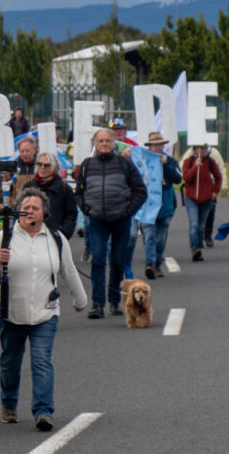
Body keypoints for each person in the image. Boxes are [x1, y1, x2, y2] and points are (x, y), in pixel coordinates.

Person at [0, 188, 88, 432]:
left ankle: (43, 411)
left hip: (45, 312)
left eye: (35, 208)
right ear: (17, 211)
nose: (30, 211)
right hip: (10, 313)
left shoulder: (55, 238)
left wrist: (80, 300)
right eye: (25, 207)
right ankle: (8, 404)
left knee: (41, 361)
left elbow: (68, 270)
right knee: (10, 363)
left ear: (44, 213)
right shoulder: (2, 238)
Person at [76, 128, 147, 319]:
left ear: (113, 143)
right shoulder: (87, 165)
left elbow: (140, 191)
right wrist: (87, 210)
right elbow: (78, 192)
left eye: (108, 141)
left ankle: (114, 301)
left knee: (117, 262)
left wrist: (128, 211)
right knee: (98, 260)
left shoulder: (125, 164)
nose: (105, 144)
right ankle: (97, 305)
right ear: (95, 144)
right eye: (101, 141)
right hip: (97, 221)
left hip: (121, 220)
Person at [139, 132, 182, 278]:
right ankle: (149, 263)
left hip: (165, 205)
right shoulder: (142, 161)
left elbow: (177, 179)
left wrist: (167, 165)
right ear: (149, 146)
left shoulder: (169, 161)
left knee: (160, 239)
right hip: (148, 205)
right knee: (150, 235)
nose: (157, 148)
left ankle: (157, 262)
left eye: (159, 145)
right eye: (154, 145)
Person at [182, 143, 223, 262]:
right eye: (197, 148)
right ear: (194, 149)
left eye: (203, 148)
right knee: (194, 224)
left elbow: (218, 176)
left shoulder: (210, 162)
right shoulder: (188, 161)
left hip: (207, 199)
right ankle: (194, 249)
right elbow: (187, 178)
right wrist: (195, 166)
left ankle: (198, 246)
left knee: (201, 226)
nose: (200, 150)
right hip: (191, 198)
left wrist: (215, 191)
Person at [32, 151, 77, 241]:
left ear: (54, 167)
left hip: (55, 238)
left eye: (46, 165)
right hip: (32, 236)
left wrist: (63, 233)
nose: (42, 168)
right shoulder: (29, 187)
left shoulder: (65, 189)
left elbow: (71, 215)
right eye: (39, 164)